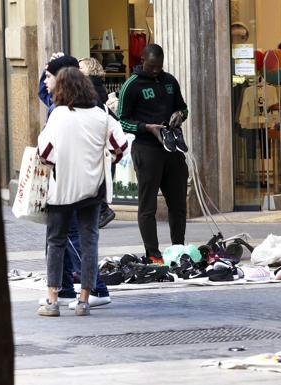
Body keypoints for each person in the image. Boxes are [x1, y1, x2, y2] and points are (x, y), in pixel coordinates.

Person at [36, 68, 128, 316]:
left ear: (62, 88)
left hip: (61, 190)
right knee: (89, 243)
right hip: (92, 190)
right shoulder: (102, 116)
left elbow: (44, 153)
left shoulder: (58, 116)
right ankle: (84, 300)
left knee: (56, 242)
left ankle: (53, 300)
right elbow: (120, 146)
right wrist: (105, 163)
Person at [118, 44, 189, 264]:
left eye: (159, 66)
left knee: (178, 204)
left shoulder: (170, 81)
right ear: (142, 61)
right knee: (147, 205)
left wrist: (179, 115)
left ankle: (178, 248)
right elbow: (121, 120)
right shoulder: (132, 85)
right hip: (147, 149)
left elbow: (183, 107)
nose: (156, 70)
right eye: (151, 66)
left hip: (172, 147)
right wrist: (146, 127)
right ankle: (153, 253)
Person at [79, 57, 116, 228]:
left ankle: (103, 210)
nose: (77, 70)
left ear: (90, 69)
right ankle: (101, 211)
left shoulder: (88, 87)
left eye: (81, 67)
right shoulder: (95, 85)